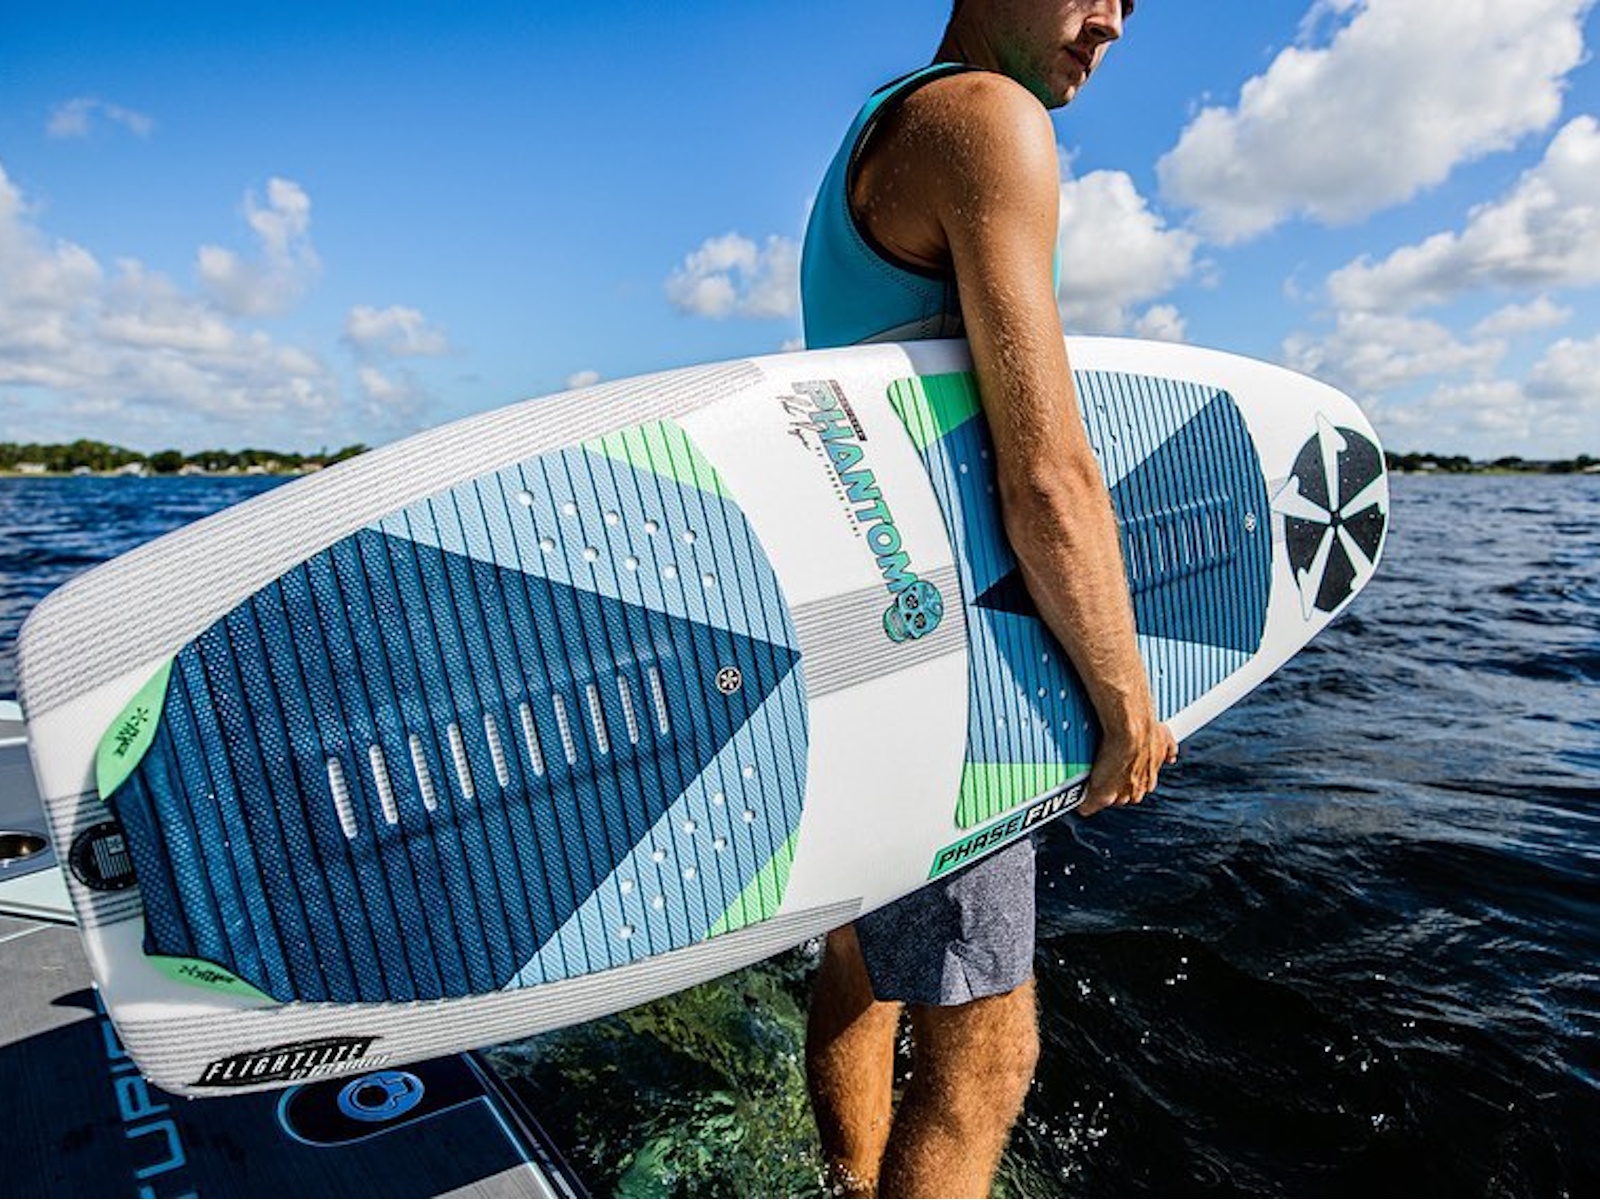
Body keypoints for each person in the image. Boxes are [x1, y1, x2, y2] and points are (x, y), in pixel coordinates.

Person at [798, 2, 1175, 1195]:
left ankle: (848, 1184)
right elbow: (1047, 473)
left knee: (861, 959)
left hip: (861, 633)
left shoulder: (876, 128)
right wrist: (1125, 701)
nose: (1110, 23)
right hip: (948, 677)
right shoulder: (986, 116)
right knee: (983, 1063)